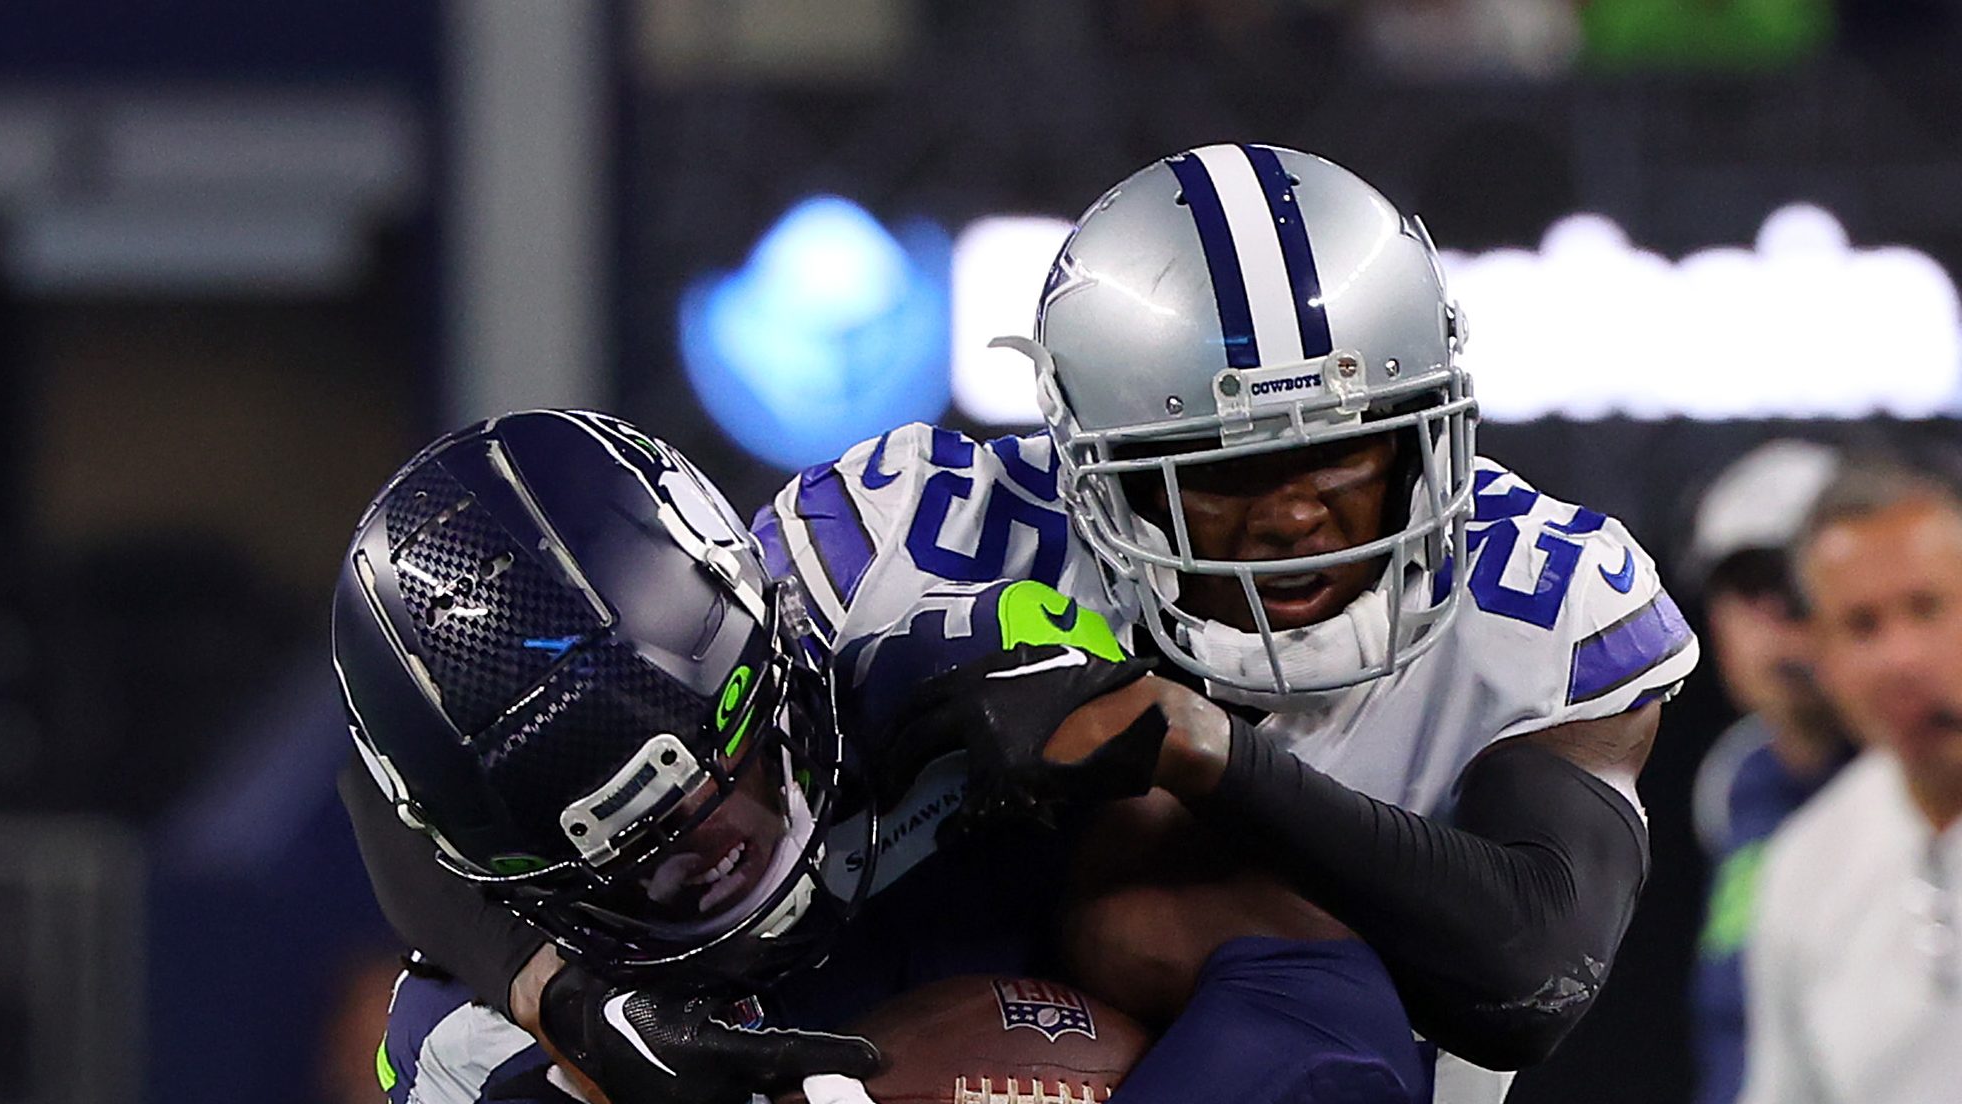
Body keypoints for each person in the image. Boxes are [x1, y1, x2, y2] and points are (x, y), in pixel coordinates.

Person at [358, 144, 1698, 1104]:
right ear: (1089, 469)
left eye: (1349, 460)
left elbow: (1528, 976)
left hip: (1300, 1052)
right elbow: (451, 765)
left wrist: (1202, 751)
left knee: (1305, 1001)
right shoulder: (904, 542)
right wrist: (565, 995)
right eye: (1229, 475)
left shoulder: (1546, 605)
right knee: (463, 1040)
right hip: (878, 1000)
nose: (1301, 519)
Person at [339, 409, 1425, 1104]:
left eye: (743, 762)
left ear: (771, 614)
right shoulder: (478, 1052)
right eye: (652, 858)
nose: (730, 853)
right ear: (513, 888)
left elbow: (1329, 1005)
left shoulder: (939, 677)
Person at [1740, 458, 1962, 1104]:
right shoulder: (1803, 869)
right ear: (1824, 658)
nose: (1901, 659)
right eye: (1862, 624)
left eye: (1929, 608)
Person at [1682, 440, 1851, 1104]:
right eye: (1746, 586)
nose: (1776, 617)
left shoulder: (1928, 783)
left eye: (1794, 582)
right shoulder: (1732, 782)